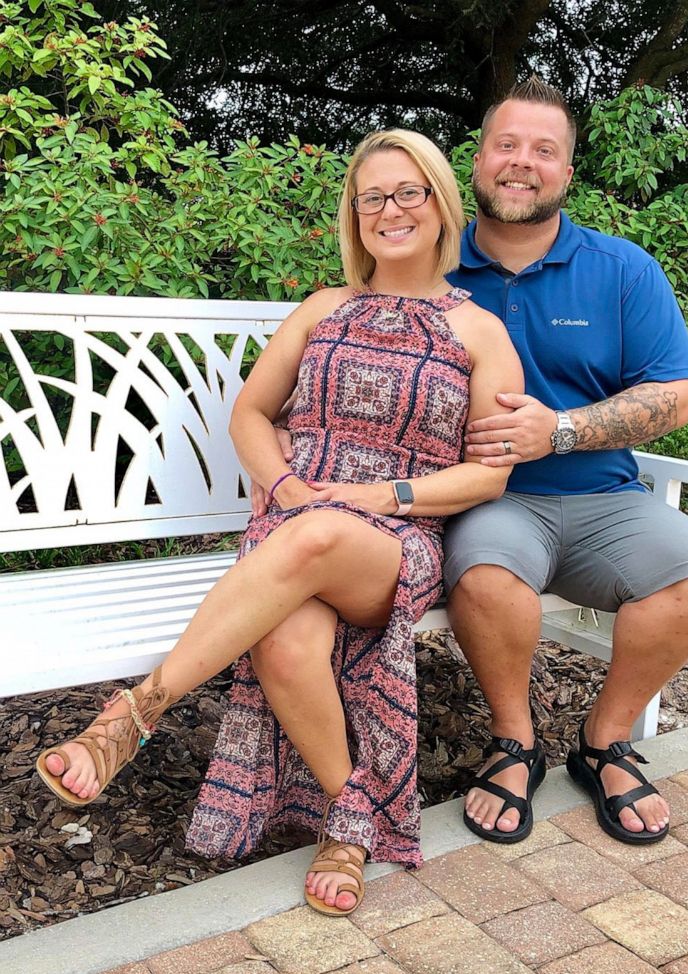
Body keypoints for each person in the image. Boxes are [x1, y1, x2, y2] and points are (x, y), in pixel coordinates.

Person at [35, 128, 523, 915]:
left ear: (440, 204)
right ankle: (350, 817)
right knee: (286, 640)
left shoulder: (480, 331)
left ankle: (135, 714)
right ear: (355, 216)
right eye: (372, 198)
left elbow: (489, 470)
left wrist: (376, 498)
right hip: (295, 519)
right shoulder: (323, 307)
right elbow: (252, 414)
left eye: (408, 192)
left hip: (394, 537)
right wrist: (287, 484)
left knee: (323, 534)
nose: (390, 210)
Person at [442, 76, 688, 847]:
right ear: (478, 160)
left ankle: (604, 742)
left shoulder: (623, 269)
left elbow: (673, 395)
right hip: (492, 503)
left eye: (545, 150)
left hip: (606, 499)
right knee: (486, 577)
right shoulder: (430, 269)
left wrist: (559, 431)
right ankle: (515, 743)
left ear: (568, 173)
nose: (522, 162)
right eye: (507, 144)